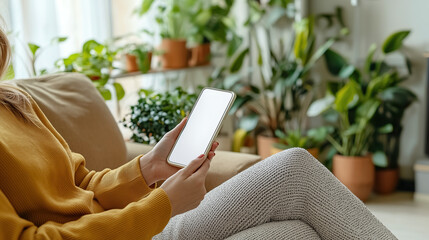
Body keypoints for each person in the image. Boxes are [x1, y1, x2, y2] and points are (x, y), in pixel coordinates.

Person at [0, 27, 396, 239]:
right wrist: (161, 207)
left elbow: (82, 182)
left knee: (295, 234)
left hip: (130, 224)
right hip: (130, 230)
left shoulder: (14, 102)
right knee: (293, 167)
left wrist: (148, 168)